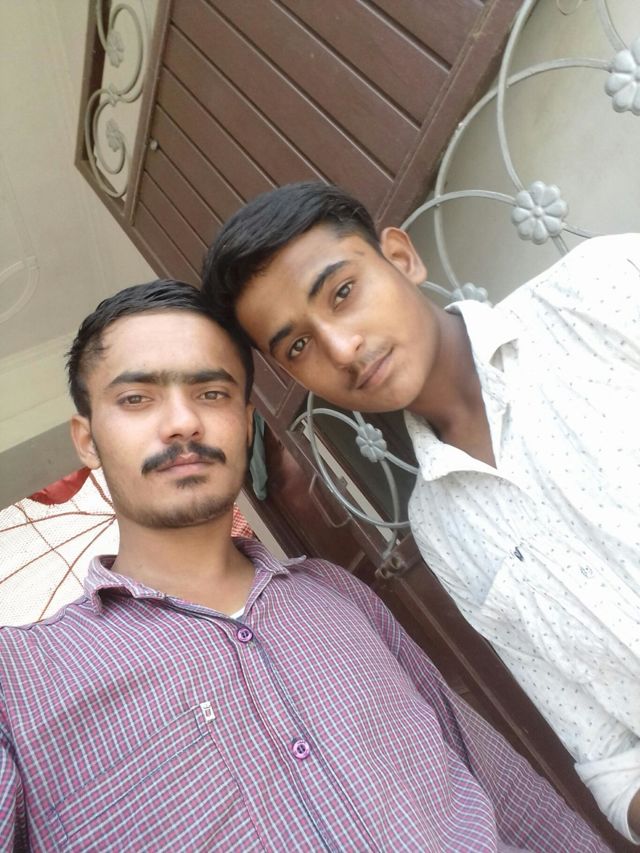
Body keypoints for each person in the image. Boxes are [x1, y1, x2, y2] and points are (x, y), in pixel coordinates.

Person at [0, 281, 607, 851]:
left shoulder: (335, 592)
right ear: (87, 438)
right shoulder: (18, 682)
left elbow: (490, 773)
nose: (182, 421)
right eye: (136, 399)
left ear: (245, 424)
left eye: (212, 393)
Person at [201, 181, 640, 843]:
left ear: (401, 258)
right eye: (298, 347)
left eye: (342, 292)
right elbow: (607, 757)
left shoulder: (601, 293)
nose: (341, 348)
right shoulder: (442, 529)